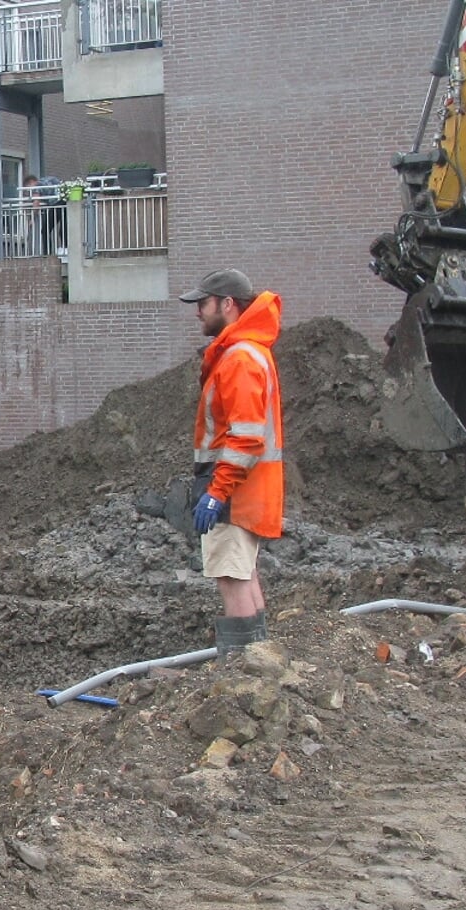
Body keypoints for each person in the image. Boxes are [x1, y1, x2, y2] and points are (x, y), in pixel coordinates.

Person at [178, 268, 284, 657]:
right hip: (247, 489)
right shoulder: (250, 351)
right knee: (244, 572)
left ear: (227, 304)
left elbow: (245, 437)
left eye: (203, 304)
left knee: (231, 577)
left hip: (235, 490)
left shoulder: (239, 358)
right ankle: (261, 661)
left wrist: (217, 493)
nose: (198, 312)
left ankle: (244, 672)